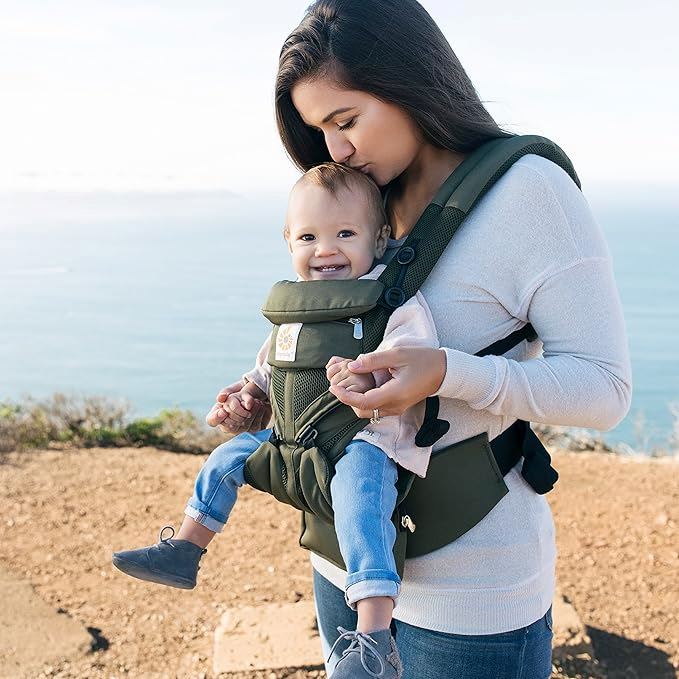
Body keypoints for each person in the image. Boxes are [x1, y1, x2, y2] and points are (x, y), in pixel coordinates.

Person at [207, 1, 633, 677]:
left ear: (408, 83)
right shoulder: (361, 201)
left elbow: (604, 389)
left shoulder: (528, 194)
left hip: (471, 588)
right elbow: (328, 326)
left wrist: (443, 371)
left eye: (345, 120)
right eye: (321, 130)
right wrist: (270, 396)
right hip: (342, 559)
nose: (335, 150)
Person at [113, 162, 442, 678]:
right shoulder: (293, 312)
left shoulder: (393, 303)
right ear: (288, 241)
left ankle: (375, 635)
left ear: (379, 240)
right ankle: (185, 548)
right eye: (309, 236)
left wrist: (371, 380)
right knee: (227, 458)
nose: (326, 248)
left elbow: (413, 358)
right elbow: (270, 371)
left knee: (361, 502)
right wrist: (246, 397)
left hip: (368, 439)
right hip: (292, 439)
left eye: (345, 233)